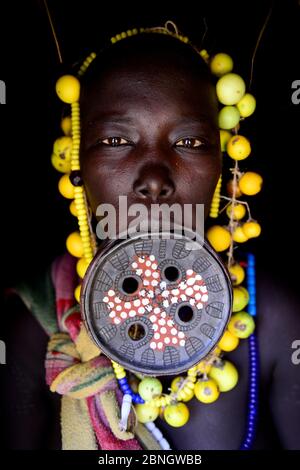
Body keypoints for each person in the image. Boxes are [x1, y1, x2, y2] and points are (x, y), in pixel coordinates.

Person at [2, 29, 300, 450]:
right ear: (76, 165)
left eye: (190, 142)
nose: (155, 180)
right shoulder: (32, 328)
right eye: (116, 141)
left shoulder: (276, 320)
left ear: (222, 168)